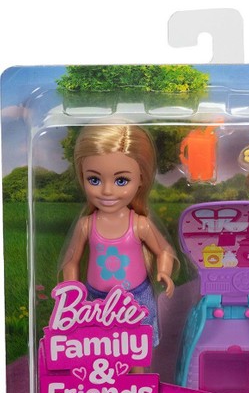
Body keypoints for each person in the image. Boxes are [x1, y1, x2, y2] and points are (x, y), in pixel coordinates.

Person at [61, 124, 176, 347]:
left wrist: (164, 272)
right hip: (96, 301)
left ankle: (139, 372)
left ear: (141, 179)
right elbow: (71, 261)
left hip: (136, 298)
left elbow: (164, 250)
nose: (107, 191)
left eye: (121, 180)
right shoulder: (86, 225)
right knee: (102, 348)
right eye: (94, 180)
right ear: (82, 177)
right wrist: (72, 294)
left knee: (138, 348)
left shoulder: (139, 224)